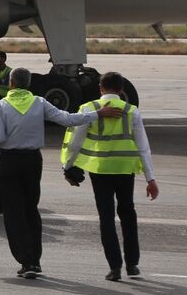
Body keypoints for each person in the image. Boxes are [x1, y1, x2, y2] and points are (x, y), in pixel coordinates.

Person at [0, 67, 115, 277]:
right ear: (28, 84)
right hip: (32, 161)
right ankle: (35, 260)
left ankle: (25, 260)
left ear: (11, 84)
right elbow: (67, 119)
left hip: (9, 161)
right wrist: (97, 114)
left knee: (13, 212)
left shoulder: (1, 105)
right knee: (31, 210)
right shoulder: (39, 102)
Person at [62, 71, 159, 281]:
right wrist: (150, 179)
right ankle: (132, 265)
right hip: (125, 169)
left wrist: (68, 166)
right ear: (122, 89)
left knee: (106, 217)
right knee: (128, 213)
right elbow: (143, 147)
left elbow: (75, 142)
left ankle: (115, 267)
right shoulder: (131, 111)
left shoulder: (89, 109)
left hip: (100, 170)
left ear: (100, 88)